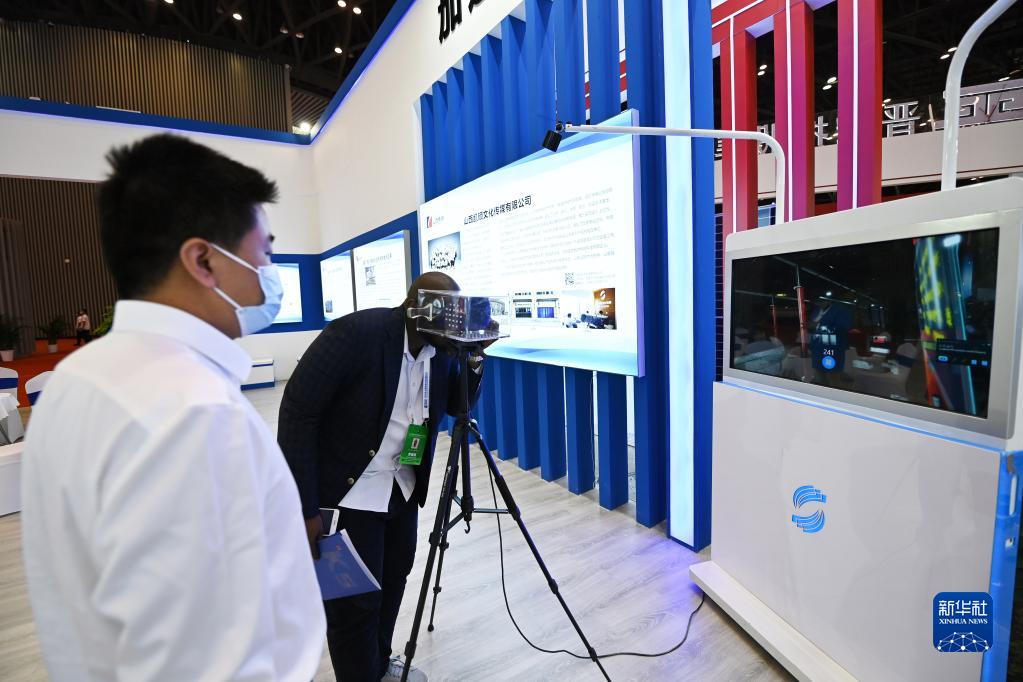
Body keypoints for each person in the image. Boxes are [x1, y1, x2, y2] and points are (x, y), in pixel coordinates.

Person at [20, 134, 325, 681]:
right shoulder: (195, 414)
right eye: (264, 252)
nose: (269, 271)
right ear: (203, 260)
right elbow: (211, 664)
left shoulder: (77, 378)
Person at [278, 272, 487, 682]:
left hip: (401, 490)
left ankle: (378, 665)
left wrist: (475, 357)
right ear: (421, 310)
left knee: (393, 581)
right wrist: (303, 507)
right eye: (449, 316)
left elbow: (456, 406)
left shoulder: (440, 349)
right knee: (351, 604)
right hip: (344, 497)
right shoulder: (356, 334)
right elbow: (298, 412)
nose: (456, 327)